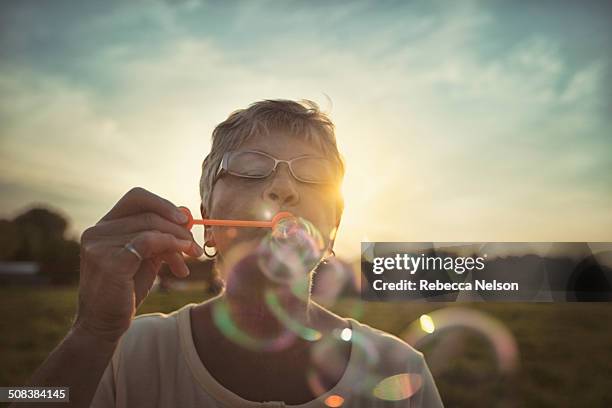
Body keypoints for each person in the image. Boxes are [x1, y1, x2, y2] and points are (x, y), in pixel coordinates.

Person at [23, 100, 444, 407]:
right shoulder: (122, 351)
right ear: (207, 220)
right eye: (249, 169)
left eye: (313, 176)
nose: (284, 189)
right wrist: (91, 333)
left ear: (333, 230)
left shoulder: (401, 370)